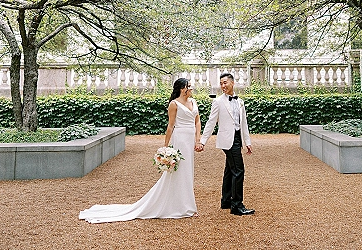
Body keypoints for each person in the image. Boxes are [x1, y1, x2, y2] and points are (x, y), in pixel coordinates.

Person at [79, 78, 201, 223]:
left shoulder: (194, 102)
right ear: (182, 89)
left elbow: (197, 121)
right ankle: (182, 206)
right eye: (189, 86)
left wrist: (197, 140)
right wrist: (166, 146)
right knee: (178, 171)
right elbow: (170, 126)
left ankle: (187, 205)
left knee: (188, 171)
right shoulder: (174, 104)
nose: (191, 88)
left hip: (189, 140)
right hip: (180, 139)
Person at [198, 72, 255, 216]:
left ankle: (226, 201)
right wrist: (203, 141)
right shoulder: (218, 102)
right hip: (227, 140)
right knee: (238, 170)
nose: (223, 86)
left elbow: (244, 124)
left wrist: (247, 141)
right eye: (221, 83)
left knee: (230, 170)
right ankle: (237, 206)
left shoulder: (240, 101)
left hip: (237, 138)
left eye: (225, 83)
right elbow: (211, 122)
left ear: (232, 83)